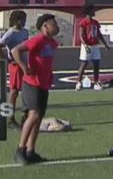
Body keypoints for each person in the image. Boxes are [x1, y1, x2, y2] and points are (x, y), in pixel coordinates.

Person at [10, 14, 59, 165]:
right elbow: (15, 51)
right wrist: (24, 68)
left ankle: (30, 151)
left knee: (38, 118)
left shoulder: (53, 43)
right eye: (53, 23)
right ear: (45, 26)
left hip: (43, 84)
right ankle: (20, 150)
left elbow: (46, 62)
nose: (56, 26)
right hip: (32, 82)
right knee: (33, 115)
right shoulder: (37, 40)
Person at [0, 10, 29, 130]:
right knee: (13, 92)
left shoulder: (25, 32)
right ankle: (10, 119)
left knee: (27, 90)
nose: (24, 21)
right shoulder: (10, 33)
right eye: (22, 19)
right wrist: (6, 59)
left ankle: (25, 117)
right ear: (16, 20)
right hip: (15, 66)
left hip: (24, 64)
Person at [75, 5, 111, 91]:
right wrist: (85, 45)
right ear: (88, 11)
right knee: (84, 64)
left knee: (96, 64)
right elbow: (81, 35)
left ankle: (95, 83)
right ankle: (78, 82)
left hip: (95, 45)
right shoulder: (83, 22)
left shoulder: (95, 22)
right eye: (93, 10)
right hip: (87, 45)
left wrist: (105, 44)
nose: (94, 11)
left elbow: (99, 34)